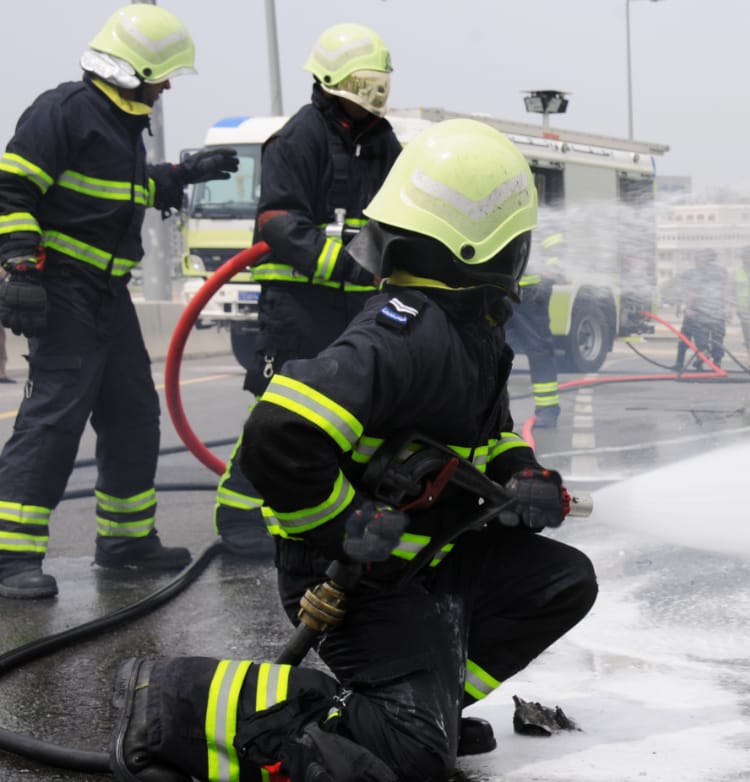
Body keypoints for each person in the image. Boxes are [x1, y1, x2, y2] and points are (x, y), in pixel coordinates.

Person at [109, 118, 598, 782]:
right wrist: (343, 526)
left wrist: (523, 472)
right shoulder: (409, 335)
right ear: (488, 244)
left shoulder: (466, 329)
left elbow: (490, 434)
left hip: (423, 559)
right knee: (412, 760)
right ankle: (173, 702)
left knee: (562, 582)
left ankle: (427, 710)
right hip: (357, 579)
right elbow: (279, 432)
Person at [0, 5, 239, 600]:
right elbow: (10, 188)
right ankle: (8, 557)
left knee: (133, 412)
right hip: (64, 288)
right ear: (137, 69)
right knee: (54, 417)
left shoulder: (119, 129)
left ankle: (126, 542)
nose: (164, 87)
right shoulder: (63, 112)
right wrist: (21, 268)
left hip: (108, 291)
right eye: (162, 76)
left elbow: (120, 193)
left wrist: (182, 173)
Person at [213, 22, 401, 559]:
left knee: (349, 414)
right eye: (366, 87)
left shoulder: (382, 143)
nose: (375, 98)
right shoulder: (299, 137)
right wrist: (350, 265)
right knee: (279, 413)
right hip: (297, 306)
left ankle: (327, 515)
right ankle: (239, 516)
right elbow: (278, 222)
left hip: (354, 306)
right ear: (335, 82)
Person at [507, 230, 566, 428]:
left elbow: (555, 244)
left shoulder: (537, 218)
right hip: (502, 291)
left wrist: (549, 274)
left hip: (531, 295)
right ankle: (495, 412)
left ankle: (548, 411)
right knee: (496, 351)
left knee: (539, 350)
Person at [673, 249, 728, 372]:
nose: (697, 262)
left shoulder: (696, 274)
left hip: (698, 312)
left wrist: (687, 308)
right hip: (714, 312)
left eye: (699, 259)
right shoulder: (719, 273)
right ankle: (707, 361)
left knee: (703, 338)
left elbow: (692, 292)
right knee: (709, 338)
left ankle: (705, 358)